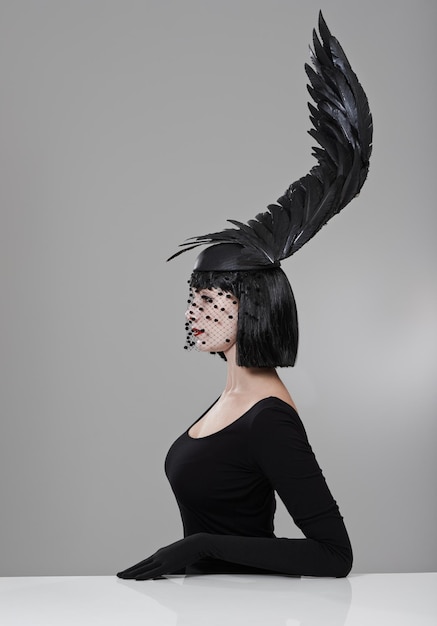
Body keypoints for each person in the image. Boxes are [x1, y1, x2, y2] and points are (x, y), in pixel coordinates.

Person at [117, 11, 372, 580]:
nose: (195, 311)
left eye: (213, 298)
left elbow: (334, 556)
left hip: (250, 610)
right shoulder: (232, 399)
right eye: (195, 296)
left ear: (255, 305)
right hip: (208, 605)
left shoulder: (268, 419)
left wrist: (198, 547)